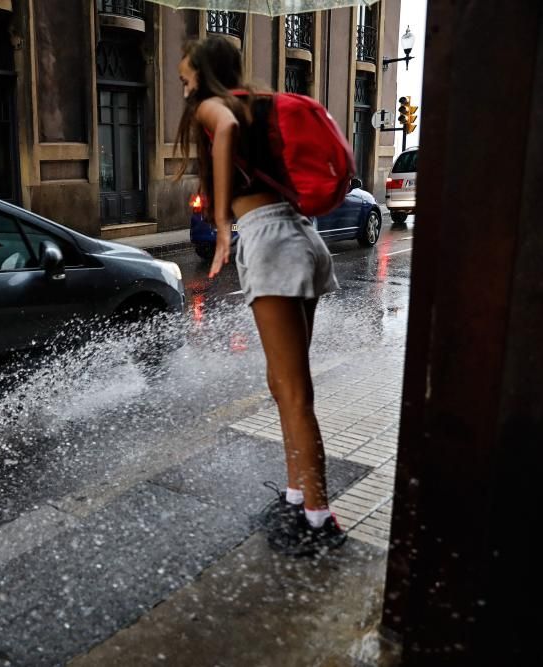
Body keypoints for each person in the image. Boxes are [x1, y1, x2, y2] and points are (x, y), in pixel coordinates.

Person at [174, 37, 345, 556]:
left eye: (185, 78)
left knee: (293, 391)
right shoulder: (255, 107)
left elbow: (220, 128)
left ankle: (318, 519)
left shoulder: (216, 108)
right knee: (283, 382)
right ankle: (298, 497)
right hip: (301, 236)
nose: (183, 86)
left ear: (203, 74)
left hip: (271, 239)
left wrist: (222, 218)